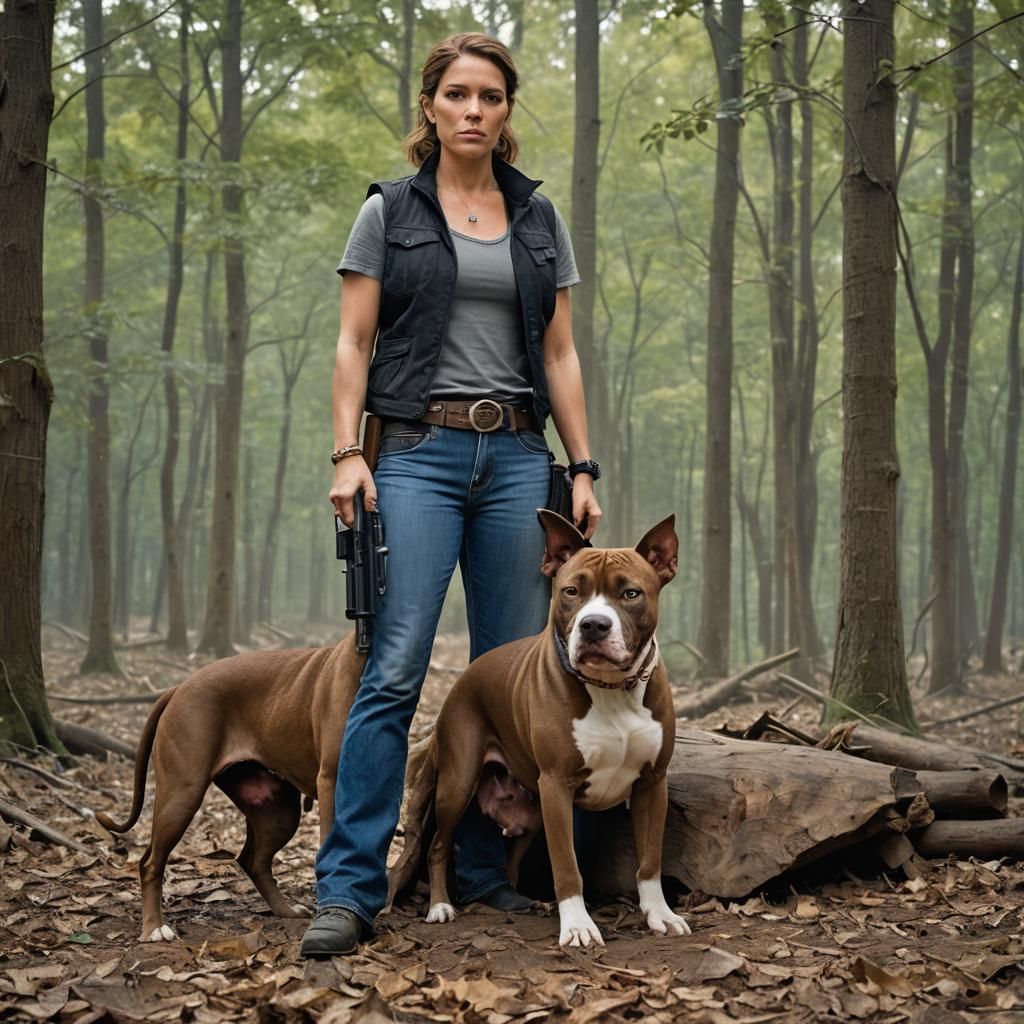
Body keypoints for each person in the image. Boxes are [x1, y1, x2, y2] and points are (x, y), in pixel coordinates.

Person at [301, 32, 602, 958]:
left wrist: (581, 466)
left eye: (492, 96)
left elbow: (559, 352)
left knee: (515, 678)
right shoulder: (388, 212)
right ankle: (349, 890)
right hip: (415, 455)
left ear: (507, 112)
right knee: (392, 669)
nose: (475, 110)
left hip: (516, 458)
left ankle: (480, 874)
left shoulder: (538, 219)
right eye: (459, 94)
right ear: (430, 106)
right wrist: (347, 454)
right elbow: (353, 342)